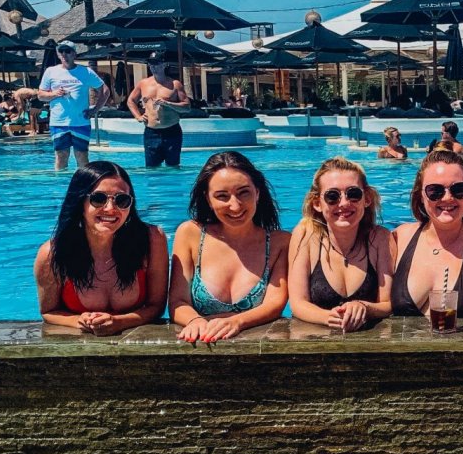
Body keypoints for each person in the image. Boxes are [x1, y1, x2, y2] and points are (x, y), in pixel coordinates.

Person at [33, 161, 168, 335]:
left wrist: (119, 323)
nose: (111, 209)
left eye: (122, 200)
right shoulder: (52, 253)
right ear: (80, 202)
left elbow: (156, 306)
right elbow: (48, 312)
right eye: (98, 199)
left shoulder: (152, 240)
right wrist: (78, 321)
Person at [169, 151, 289, 342]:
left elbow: (274, 304)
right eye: (222, 196)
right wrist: (195, 321)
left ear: (257, 192)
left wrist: (237, 322)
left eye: (244, 193)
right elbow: (177, 301)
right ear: (208, 199)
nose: (235, 206)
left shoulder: (280, 242)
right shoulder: (190, 234)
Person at [287, 158, 394, 331]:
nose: (344, 203)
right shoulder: (305, 235)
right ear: (317, 203)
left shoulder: (380, 238)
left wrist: (364, 307)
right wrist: (329, 317)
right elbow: (298, 303)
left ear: (366, 199)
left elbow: (388, 303)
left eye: (353, 194)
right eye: (332, 196)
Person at [391, 147, 463, 319]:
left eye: (458, 189)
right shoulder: (399, 238)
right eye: (435, 191)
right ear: (421, 196)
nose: (447, 198)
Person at [24, 41, 107, 171]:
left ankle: (82, 186)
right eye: (61, 51)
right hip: (58, 122)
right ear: (58, 54)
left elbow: (104, 90)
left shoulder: (86, 72)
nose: (64, 54)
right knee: (61, 156)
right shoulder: (50, 71)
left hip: (80, 122)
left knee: (82, 156)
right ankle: (61, 186)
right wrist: (55, 94)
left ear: (74, 54)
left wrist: (95, 109)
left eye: (67, 51)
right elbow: (40, 95)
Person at [127, 52, 190, 168]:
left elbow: (187, 107)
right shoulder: (143, 83)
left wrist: (168, 103)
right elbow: (131, 101)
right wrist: (138, 116)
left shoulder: (175, 84)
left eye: (156, 64)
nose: (153, 67)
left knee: (173, 168)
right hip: (151, 132)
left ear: (165, 64)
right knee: (151, 168)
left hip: (172, 131)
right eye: (151, 64)